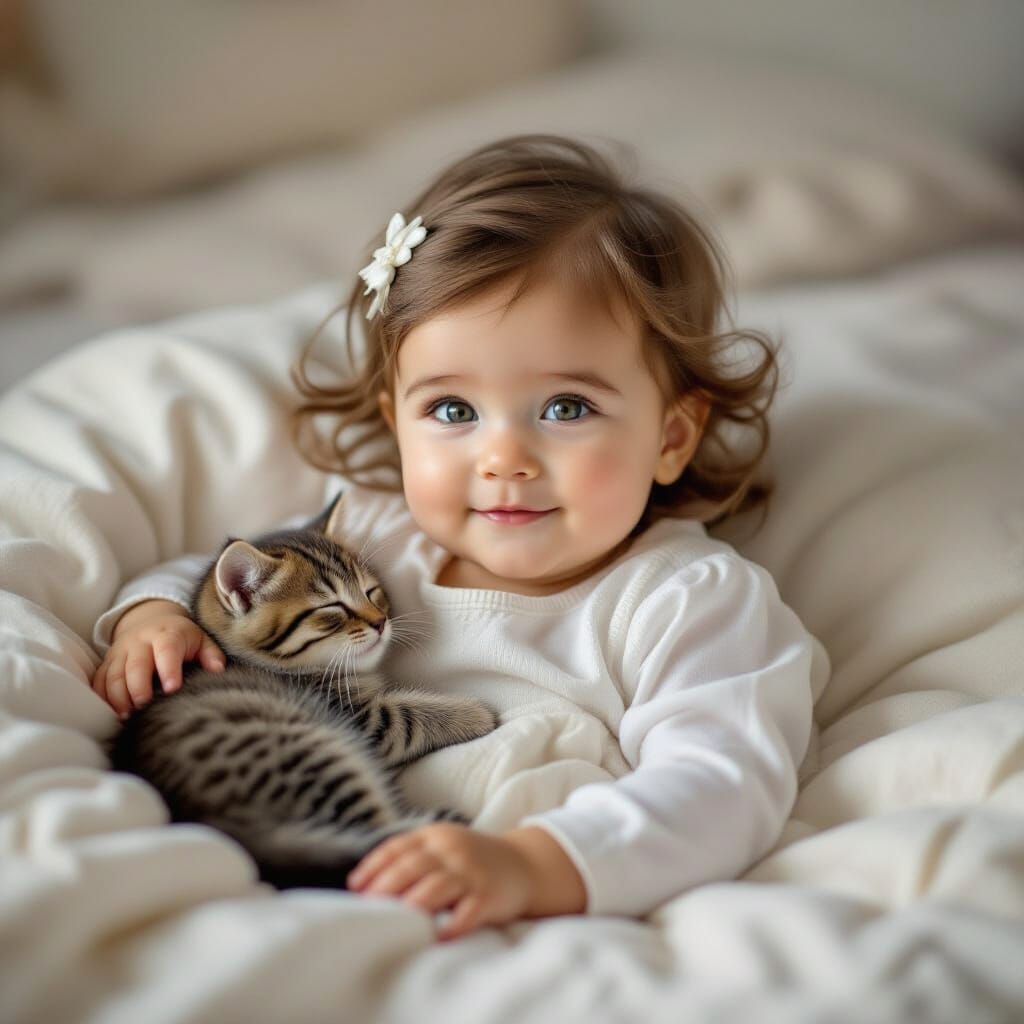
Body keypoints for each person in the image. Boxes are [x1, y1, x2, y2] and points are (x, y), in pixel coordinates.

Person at [89, 134, 827, 942]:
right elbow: (216, 576)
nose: (503, 457)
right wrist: (153, 617)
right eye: (451, 411)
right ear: (396, 426)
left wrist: (536, 866)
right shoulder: (374, 530)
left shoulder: (685, 598)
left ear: (671, 438)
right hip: (318, 876)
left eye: (566, 408)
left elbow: (723, 783)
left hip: (537, 921)